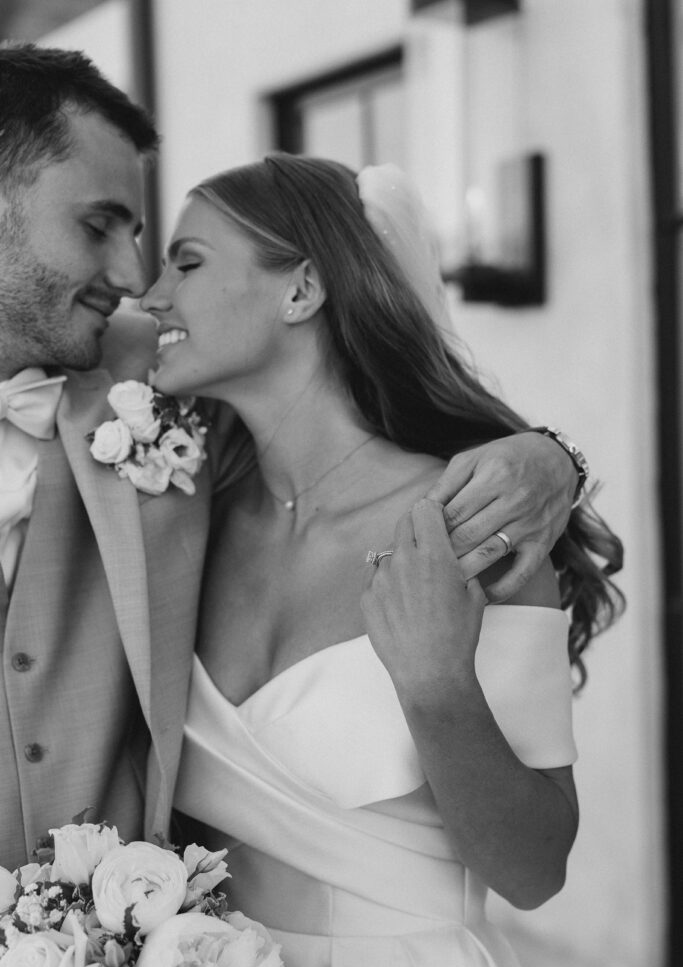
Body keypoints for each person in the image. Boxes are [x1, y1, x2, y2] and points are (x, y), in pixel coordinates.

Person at [0, 41, 584, 873]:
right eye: (98, 224)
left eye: (168, 253)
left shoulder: (141, 388)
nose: (137, 282)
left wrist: (548, 456)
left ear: (303, 289)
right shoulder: (180, 396)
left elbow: (533, 867)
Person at [141, 154, 624, 967]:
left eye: (187, 261)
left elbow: (533, 871)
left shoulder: (468, 522)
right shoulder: (182, 520)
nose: (151, 295)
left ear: (301, 291)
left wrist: (436, 687)